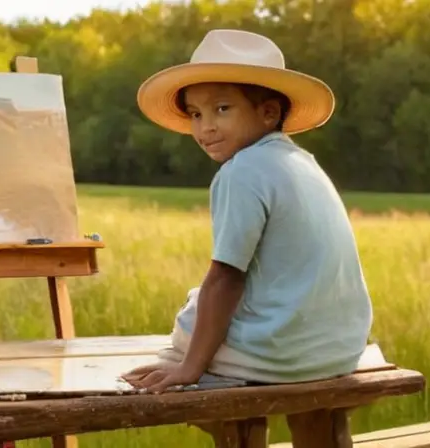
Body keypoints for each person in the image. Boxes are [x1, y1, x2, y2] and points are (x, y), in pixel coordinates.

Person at [121, 29, 373, 393]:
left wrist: (190, 365)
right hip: (338, 351)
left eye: (222, 109)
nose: (205, 127)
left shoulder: (241, 171)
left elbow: (226, 278)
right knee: (205, 309)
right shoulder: (305, 163)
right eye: (195, 113)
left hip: (281, 357)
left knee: (192, 318)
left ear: (268, 112)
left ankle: (193, 374)